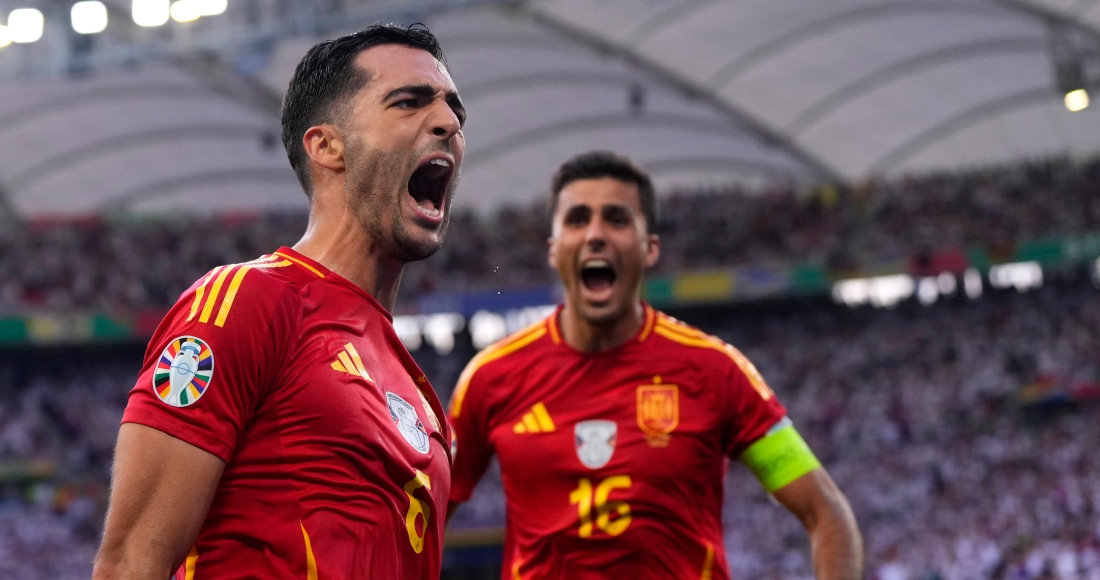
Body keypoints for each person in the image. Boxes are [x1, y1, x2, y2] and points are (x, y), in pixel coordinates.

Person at [93, 23, 465, 579]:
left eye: (454, 110)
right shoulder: (248, 302)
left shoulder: (416, 389)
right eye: (408, 102)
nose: (448, 122)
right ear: (327, 146)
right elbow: (131, 560)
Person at [447, 151, 863, 579]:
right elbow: (422, 519)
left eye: (617, 218)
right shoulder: (490, 378)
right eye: (577, 219)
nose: (595, 234)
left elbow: (825, 511)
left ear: (650, 249)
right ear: (554, 251)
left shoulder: (715, 371)